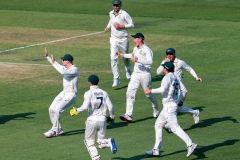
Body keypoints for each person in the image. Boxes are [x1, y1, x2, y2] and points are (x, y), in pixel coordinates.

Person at [145, 62, 197, 158]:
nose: (163, 69)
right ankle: (156, 149)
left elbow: (162, 90)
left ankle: (190, 144)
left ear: (166, 69)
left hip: (169, 107)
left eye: (163, 68)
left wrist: (150, 90)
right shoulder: (175, 77)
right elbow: (183, 90)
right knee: (158, 124)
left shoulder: (167, 77)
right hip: (169, 106)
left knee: (175, 128)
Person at [70, 74, 117, 160]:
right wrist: (112, 116)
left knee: (88, 141)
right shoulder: (104, 92)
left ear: (89, 83)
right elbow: (111, 107)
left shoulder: (88, 93)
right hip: (102, 120)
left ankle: (96, 158)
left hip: (92, 119)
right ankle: (108, 141)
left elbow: (85, 106)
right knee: (100, 143)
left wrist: (76, 111)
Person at [156, 48, 202, 132]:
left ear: (174, 54)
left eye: (171, 54)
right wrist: (163, 63)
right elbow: (158, 72)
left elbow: (189, 69)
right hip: (168, 88)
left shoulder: (180, 62)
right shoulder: (166, 63)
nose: (169, 56)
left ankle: (169, 125)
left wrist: (196, 77)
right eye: (167, 54)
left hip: (177, 89)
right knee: (176, 107)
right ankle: (194, 112)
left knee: (172, 107)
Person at [116, 33, 159, 122]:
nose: (134, 40)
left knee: (148, 94)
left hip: (145, 74)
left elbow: (150, 62)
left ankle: (156, 108)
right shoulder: (136, 48)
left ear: (140, 39)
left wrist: (138, 60)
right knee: (129, 93)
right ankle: (128, 114)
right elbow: (132, 55)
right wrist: (122, 55)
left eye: (135, 38)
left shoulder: (147, 50)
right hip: (135, 74)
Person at [43, 47, 79, 138]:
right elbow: (59, 66)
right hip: (64, 92)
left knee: (57, 109)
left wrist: (54, 62)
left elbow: (62, 71)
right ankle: (57, 129)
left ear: (68, 61)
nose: (62, 61)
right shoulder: (65, 68)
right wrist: (48, 57)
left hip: (71, 94)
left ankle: (55, 130)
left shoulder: (74, 70)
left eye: (63, 60)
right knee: (51, 109)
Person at [104, 0, 134, 87]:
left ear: (120, 6)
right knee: (113, 58)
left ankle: (128, 70)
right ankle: (116, 78)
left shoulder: (124, 14)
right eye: (114, 5)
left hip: (123, 39)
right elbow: (111, 21)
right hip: (113, 39)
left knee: (125, 57)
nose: (115, 7)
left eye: (117, 5)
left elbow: (132, 24)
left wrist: (122, 26)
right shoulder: (111, 13)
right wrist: (107, 27)